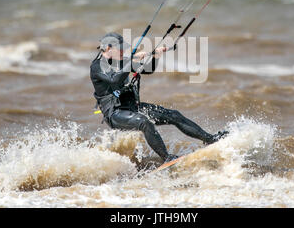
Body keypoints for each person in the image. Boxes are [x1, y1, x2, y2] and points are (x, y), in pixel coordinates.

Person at [90, 32, 227, 163]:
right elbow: (114, 80)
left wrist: (156, 56)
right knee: (145, 122)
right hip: (115, 114)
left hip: (132, 108)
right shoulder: (97, 66)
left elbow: (147, 69)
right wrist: (130, 60)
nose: (122, 51)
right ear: (108, 48)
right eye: (120, 49)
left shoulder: (121, 62)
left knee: (174, 115)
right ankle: (167, 157)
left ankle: (210, 139)